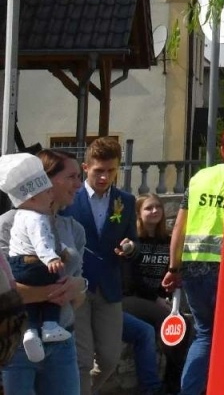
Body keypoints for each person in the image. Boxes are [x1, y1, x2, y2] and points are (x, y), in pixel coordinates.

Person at [2, 150, 90, 395]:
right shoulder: (6, 224)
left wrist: (79, 286)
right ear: (47, 179)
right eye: (72, 176)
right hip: (16, 347)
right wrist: (55, 290)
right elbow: (5, 293)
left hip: (62, 344)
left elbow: (79, 297)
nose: (79, 184)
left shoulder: (74, 229)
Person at [62, 135, 138, 394]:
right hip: (77, 286)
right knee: (82, 360)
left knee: (108, 358)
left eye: (111, 171)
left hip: (109, 288)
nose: (105, 177)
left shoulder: (125, 201)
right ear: (86, 168)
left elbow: (133, 242)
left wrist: (129, 248)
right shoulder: (70, 198)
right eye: (99, 171)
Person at [162, 127, 224, 395]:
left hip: (194, 269)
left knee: (204, 335)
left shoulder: (200, 177)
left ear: (222, 151)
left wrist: (173, 267)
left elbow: (179, 226)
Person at [2, 154, 71, 361]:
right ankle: (50, 325)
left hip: (17, 265)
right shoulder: (37, 218)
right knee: (55, 279)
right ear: (32, 198)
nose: (52, 196)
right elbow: (41, 242)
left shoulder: (20, 216)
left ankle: (31, 330)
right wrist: (51, 258)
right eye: (47, 192)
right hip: (34, 262)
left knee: (30, 304)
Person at [123, 193, 184, 392]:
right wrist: (155, 299)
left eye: (158, 207)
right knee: (168, 321)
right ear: (139, 214)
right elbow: (131, 279)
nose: (155, 211)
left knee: (183, 327)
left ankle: (173, 383)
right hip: (132, 299)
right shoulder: (132, 241)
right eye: (149, 208)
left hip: (158, 300)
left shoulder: (167, 241)